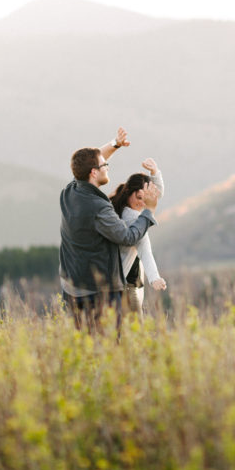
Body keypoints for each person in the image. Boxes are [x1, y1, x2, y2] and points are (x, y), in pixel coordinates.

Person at [59, 128, 160, 335]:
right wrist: (149, 210)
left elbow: (89, 162)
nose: (107, 166)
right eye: (105, 165)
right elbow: (127, 236)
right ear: (94, 173)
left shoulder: (70, 191)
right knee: (107, 346)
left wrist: (114, 144)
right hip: (98, 292)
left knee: (81, 345)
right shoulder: (99, 207)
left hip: (71, 286)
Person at [109, 158, 168, 318]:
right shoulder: (133, 218)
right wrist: (154, 278)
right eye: (139, 197)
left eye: (145, 198)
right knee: (135, 332)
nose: (142, 203)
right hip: (126, 285)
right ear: (129, 191)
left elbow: (155, 196)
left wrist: (155, 173)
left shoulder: (116, 206)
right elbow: (145, 248)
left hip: (122, 281)